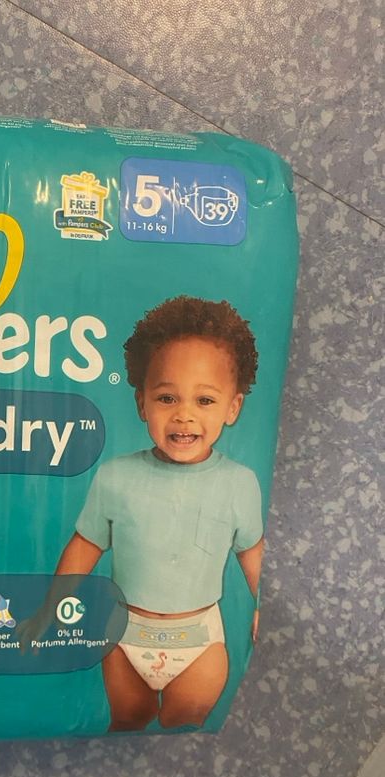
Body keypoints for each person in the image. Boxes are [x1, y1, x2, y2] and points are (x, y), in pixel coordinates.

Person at [44, 296, 264, 731]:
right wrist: (51, 605)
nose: (184, 415)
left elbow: (252, 553)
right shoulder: (116, 476)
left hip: (199, 642)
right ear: (142, 403)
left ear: (233, 408)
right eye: (167, 398)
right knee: (128, 720)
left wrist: (264, 607)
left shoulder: (239, 483)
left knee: (183, 724)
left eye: (204, 400)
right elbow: (85, 545)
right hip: (125, 635)